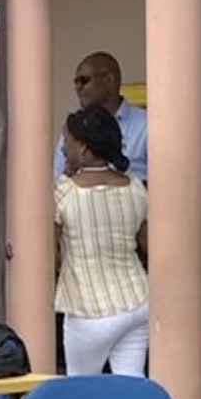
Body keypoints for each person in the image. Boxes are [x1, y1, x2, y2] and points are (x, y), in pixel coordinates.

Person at [55, 106, 149, 376]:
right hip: (137, 300)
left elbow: (49, 256)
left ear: (83, 147)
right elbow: (147, 246)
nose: (63, 150)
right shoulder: (135, 186)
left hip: (88, 308)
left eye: (67, 142)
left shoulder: (63, 192)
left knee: (81, 391)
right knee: (131, 389)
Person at [55, 52, 149, 183]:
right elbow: (58, 179)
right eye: (76, 82)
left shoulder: (146, 126)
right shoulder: (73, 131)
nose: (78, 88)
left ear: (109, 80)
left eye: (84, 80)